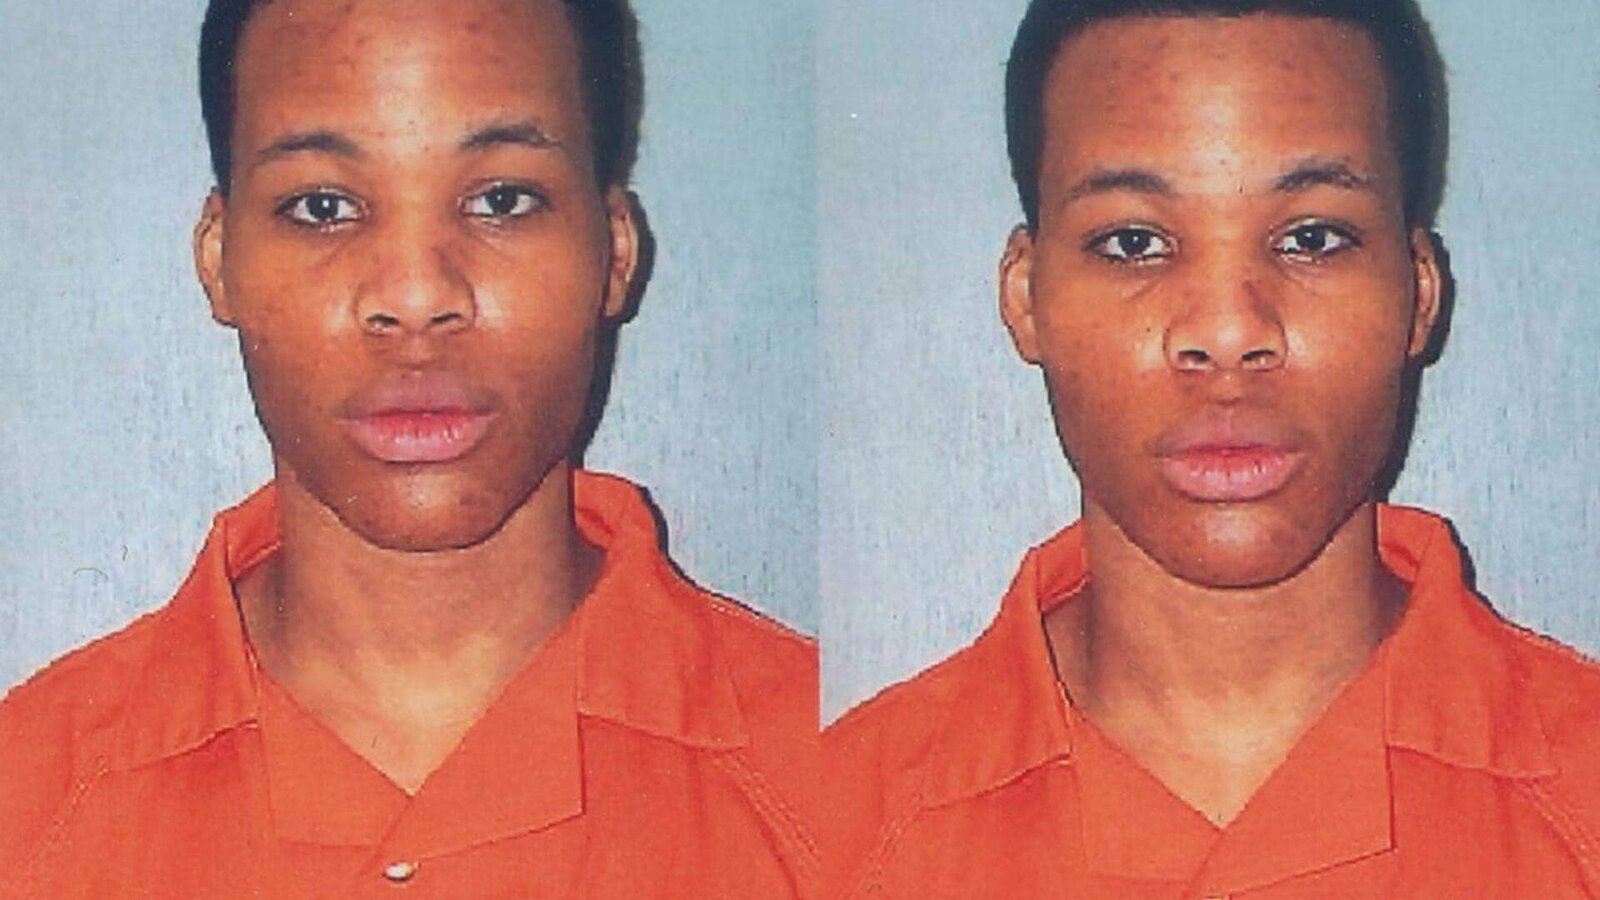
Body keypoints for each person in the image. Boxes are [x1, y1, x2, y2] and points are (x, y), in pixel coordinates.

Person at [0, 1, 817, 896]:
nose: (417, 297)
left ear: (614, 252)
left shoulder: (847, 799)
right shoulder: (24, 807)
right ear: (219, 258)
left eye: (501, 200)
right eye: (323, 207)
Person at [823, 0, 1600, 896]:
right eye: (1134, 242)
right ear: (1026, 297)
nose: (1228, 334)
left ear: (1419, 294)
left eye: (1312, 238)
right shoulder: (834, 840)